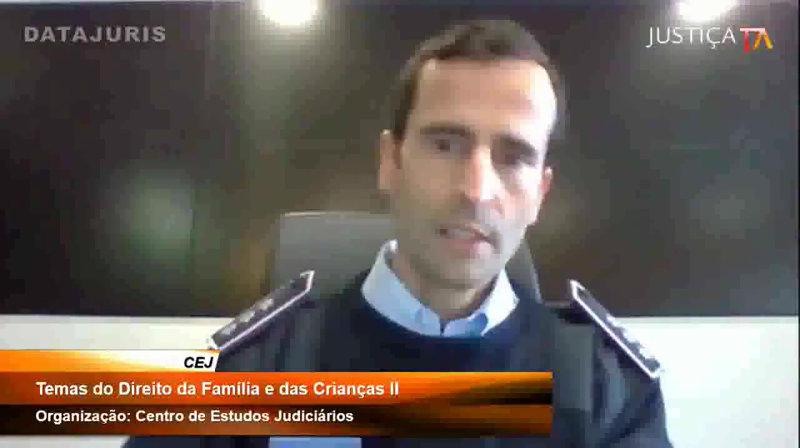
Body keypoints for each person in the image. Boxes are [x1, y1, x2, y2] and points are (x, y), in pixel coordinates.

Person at [124, 18, 673, 447]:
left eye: (513, 156)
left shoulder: (608, 390)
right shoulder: (249, 369)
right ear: (391, 161)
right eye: (446, 144)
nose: (476, 189)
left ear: (540, 194)